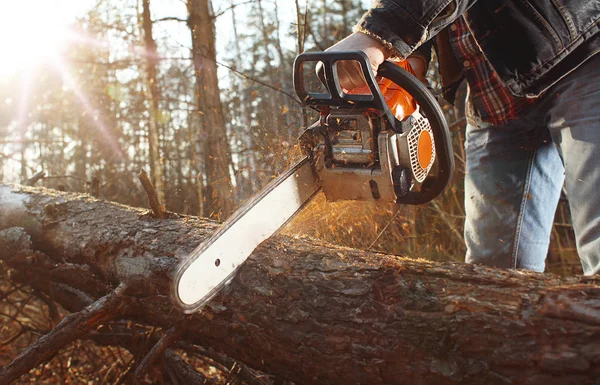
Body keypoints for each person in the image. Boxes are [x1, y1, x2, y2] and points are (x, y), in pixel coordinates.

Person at [326, 1, 600, 275]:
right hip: (494, 95)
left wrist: (378, 34)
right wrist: (409, 58)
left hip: (581, 55)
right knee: (494, 275)